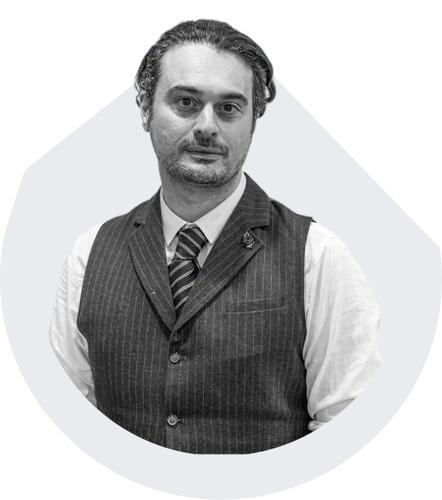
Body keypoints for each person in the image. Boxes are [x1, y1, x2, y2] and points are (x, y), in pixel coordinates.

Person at [49, 19, 381, 454]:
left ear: (253, 122)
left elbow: (349, 435)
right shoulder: (89, 253)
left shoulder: (318, 256)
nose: (207, 126)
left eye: (228, 107)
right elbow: (64, 423)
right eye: (186, 102)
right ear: (145, 110)